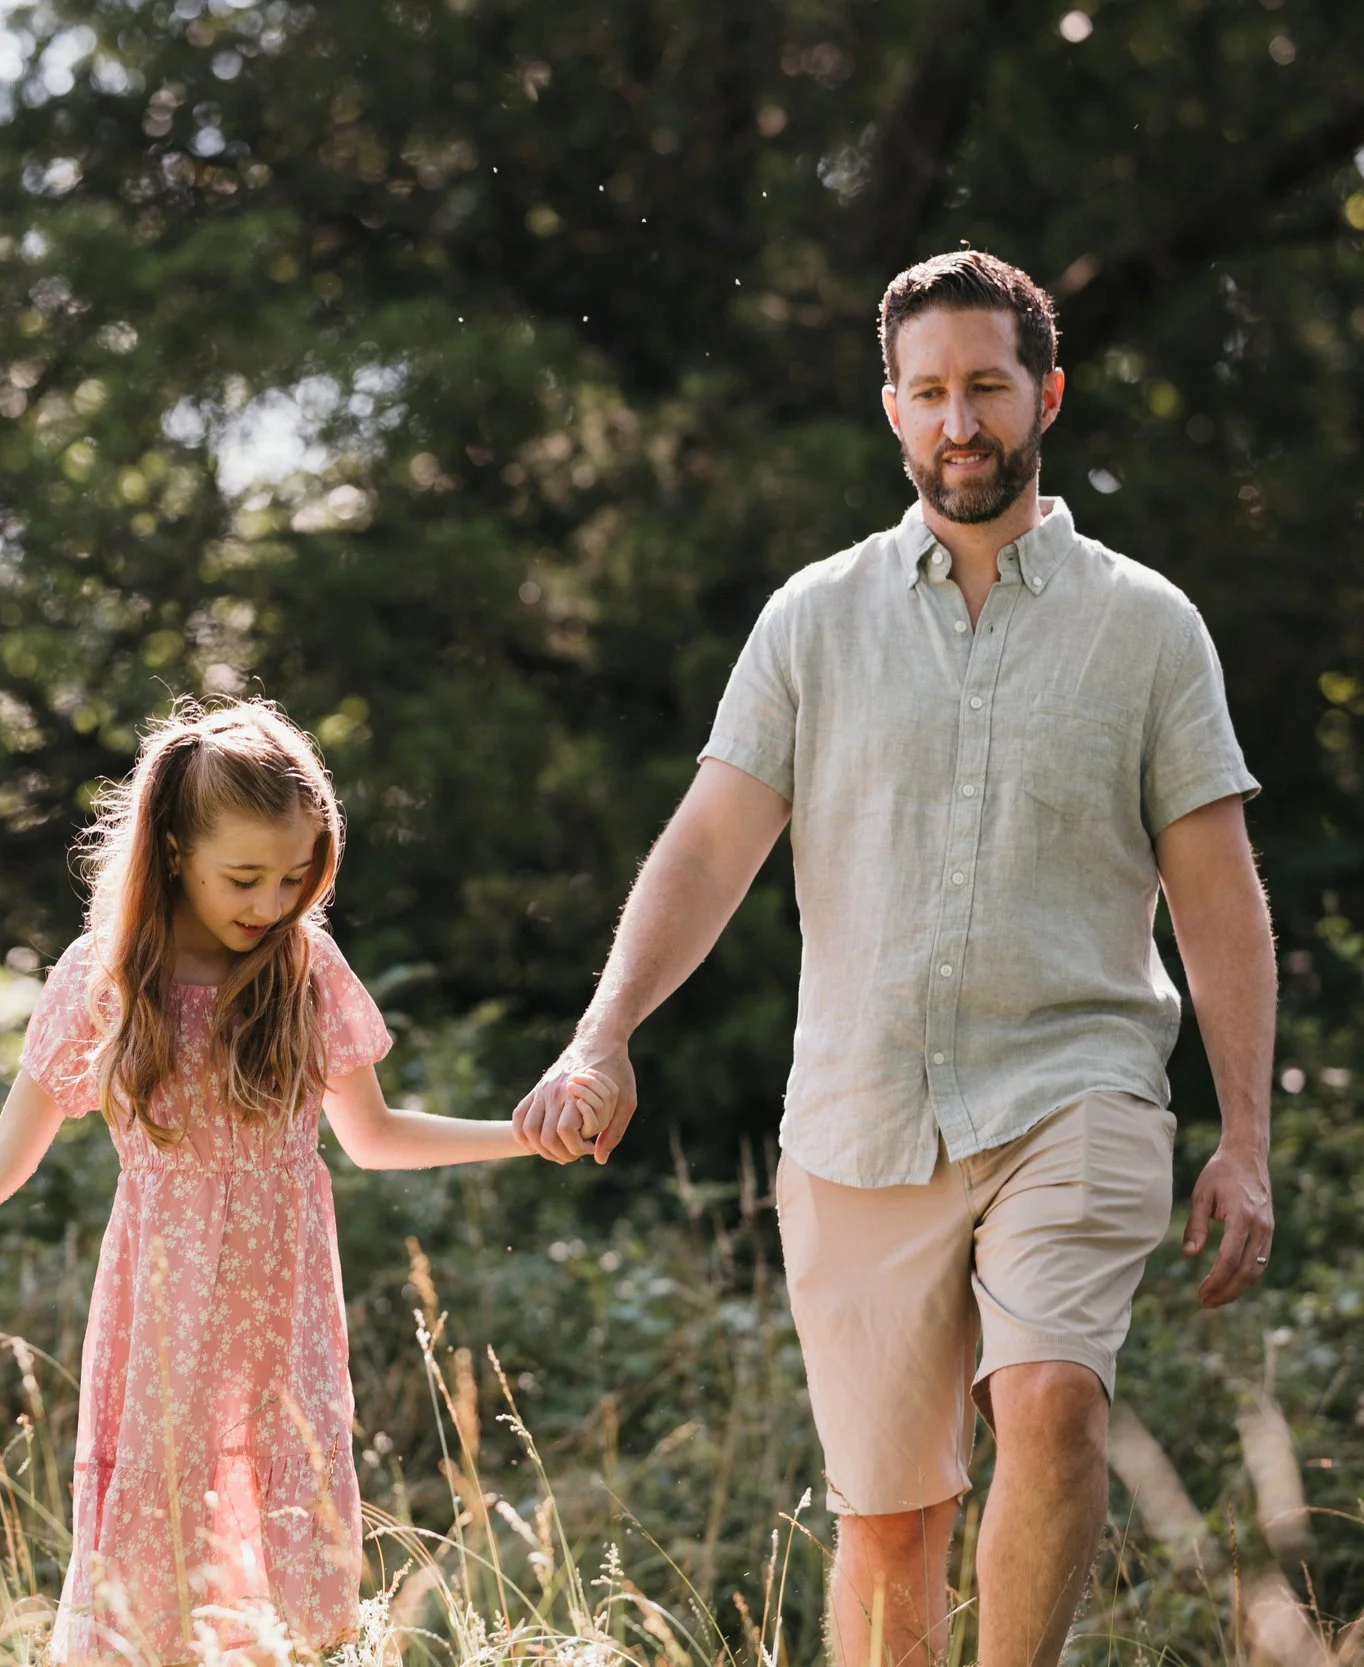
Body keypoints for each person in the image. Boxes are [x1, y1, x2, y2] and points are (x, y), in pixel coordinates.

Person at [513, 251, 1275, 1667]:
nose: (961, 422)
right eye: (929, 393)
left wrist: (1246, 1133)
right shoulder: (814, 617)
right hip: (861, 1112)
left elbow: (1219, 894)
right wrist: (601, 1030)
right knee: (891, 1521)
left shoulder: (1148, 626)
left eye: (987, 386)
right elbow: (709, 841)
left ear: (1046, 392)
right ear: (891, 411)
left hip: (1078, 1083)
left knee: (1050, 1401)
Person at [0, 698, 603, 1662]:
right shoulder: (108, 977)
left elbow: (372, 1137)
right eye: (243, 876)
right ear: (172, 851)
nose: (270, 902)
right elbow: (3, 1159)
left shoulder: (305, 966)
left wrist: (523, 1135)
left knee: (283, 1574)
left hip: (283, 1318)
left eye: (296, 876)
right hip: (160, 1316)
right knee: (156, 1578)